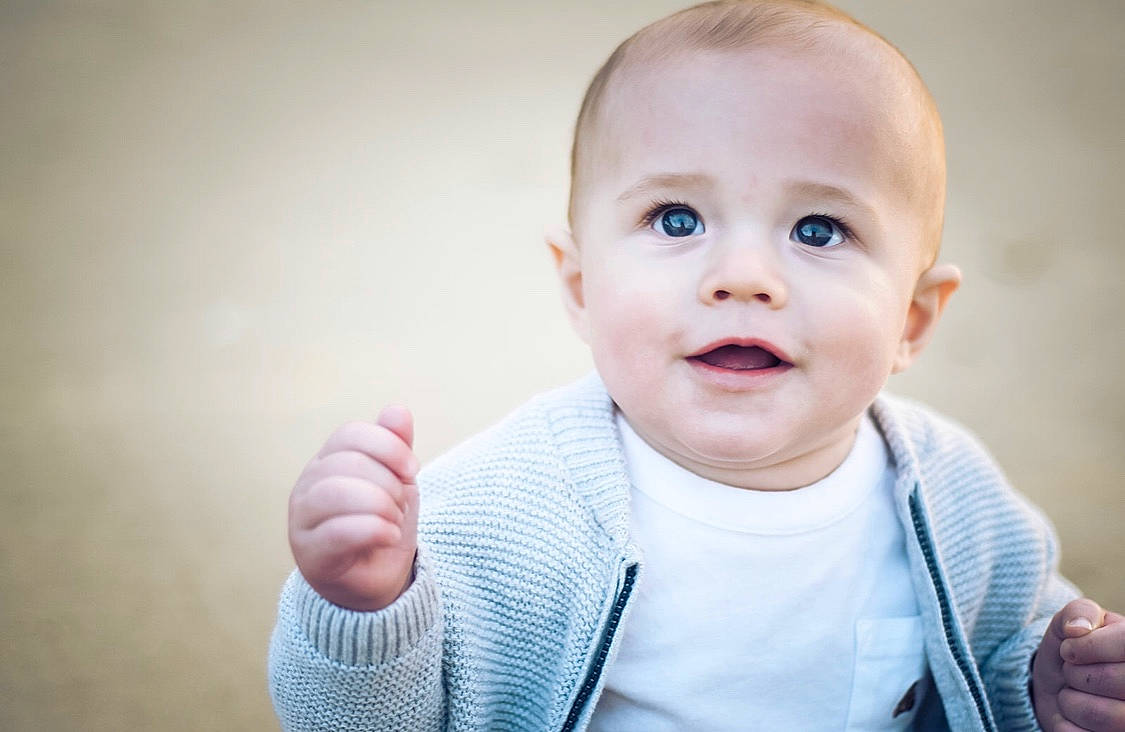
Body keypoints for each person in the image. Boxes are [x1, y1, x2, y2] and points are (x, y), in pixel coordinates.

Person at [268, 1, 1125, 729]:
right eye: (676, 219)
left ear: (911, 318)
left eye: (818, 230)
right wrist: (361, 611)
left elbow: (997, 656)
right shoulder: (495, 515)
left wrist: (1044, 686)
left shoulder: (958, 503)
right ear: (580, 285)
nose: (743, 277)